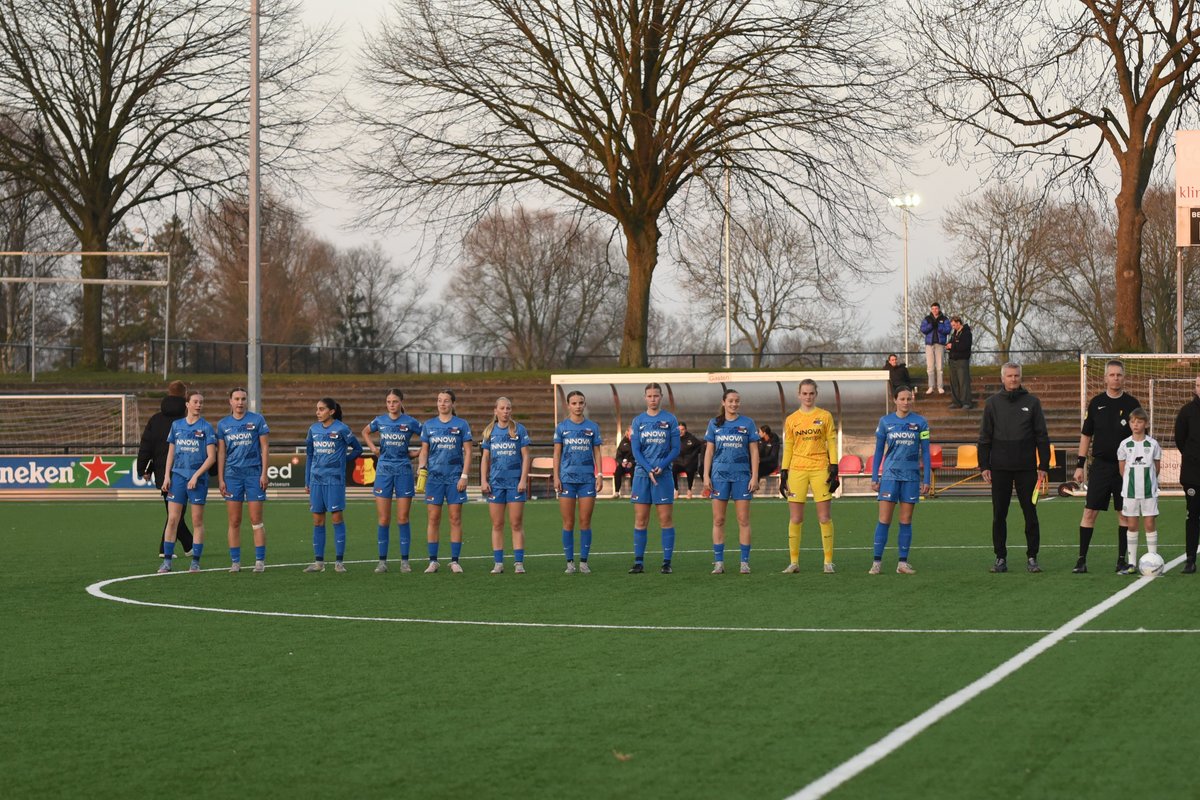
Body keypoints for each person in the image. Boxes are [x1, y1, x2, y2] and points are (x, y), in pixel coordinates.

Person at [978, 362, 1050, 573]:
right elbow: (984, 437)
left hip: (1026, 468)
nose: (1013, 379)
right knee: (999, 514)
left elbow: (1041, 436)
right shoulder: (992, 403)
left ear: (1021, 377)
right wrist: (984, 465)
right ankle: (1000, 558)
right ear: (1002, 378)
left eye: (1016, 375)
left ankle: (1032, 557)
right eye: (1009, 376)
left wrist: (1043, 465)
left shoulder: (1032, 402)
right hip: (999, 468)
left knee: (1030, 513)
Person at [1071, 359, 1141, 574]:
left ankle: (1121, 560)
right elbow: (1086, 435)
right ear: (1104, 378)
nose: (1115, 378)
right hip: (1100, 466)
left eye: (1119, 374)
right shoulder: (1096, 403)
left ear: (1124, 377)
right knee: (1090, 511)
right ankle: (1081, 560)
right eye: (1111, 375)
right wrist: (1080, 465)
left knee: (1123, 513)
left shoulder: (1132, 404)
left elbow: (1139, 435)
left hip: (1124, 468)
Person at [869, 387, 932, 574]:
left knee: (906, 520)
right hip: (889, 477)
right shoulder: (885, 422)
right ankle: (876, 562)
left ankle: (902, 563)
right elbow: (879, 450)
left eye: (909, 398)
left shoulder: (921, 422)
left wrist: (926, 478)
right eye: (902, 398)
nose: (906, 402)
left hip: (911, 477)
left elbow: (926, 452)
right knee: (884, 519)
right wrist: (875, 476)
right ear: (895, 400)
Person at [780, 379, 839, 574]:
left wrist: (834, 466)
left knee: (824, 517)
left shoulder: (825, 416)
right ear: (799, 395)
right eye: (804, 393)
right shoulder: (791, 419)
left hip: (820, 468)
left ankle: (828, 562)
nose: (808, 397)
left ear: (816, 394)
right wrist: (784, 472)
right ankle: (794, 562)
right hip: (797, 470)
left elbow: (831, 441)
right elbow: (788, 446)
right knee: (795, 518)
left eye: (811, 393)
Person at [362, 389, 422, 574]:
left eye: (395, 401)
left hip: (403, 471)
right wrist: (373, 447)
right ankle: (382, 561)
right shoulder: (380, 420)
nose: (391, 405)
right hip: (383, 472)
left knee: (403, 518)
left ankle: (405, 561)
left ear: (401, 402)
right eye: (389, 402)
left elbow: (427, 438)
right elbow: (365, 432)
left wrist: (417, 453)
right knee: (384, 518)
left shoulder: (410, 422)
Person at [157, 390, 217, 573]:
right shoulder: (176, 426)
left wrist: (196, 476)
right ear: (187, 404)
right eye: (195, 402)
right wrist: (167, 476)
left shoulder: (206, 427)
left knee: (197, 520)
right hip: (178, 478)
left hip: (197, 480)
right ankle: (167, 562)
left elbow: (211, 457)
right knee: (173, 519)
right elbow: (171, 453)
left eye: (201, 402)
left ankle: (195, 562)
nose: (199, 405)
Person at [302, 397, 363, 574]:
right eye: (317, 409)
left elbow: (357, 449)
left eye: (321, 409)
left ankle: (339, 562)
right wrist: (307, 480)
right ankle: (319, 563)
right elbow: (310, 456)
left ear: (331, 411)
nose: (318, 412)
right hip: (316, 481)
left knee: (336, 518)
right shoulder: (313, 430)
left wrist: (343, 461)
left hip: (335, 480)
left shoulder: (342, 429)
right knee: (318, 520)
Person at [703, 389, 760, 574]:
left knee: (743, 519)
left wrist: (755, 476)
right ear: (723, 402)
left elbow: (754, 451)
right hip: (719, 477)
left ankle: (745, 562)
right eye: (731, 401)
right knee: (718, 519)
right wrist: (706, 475)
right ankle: (719, 562)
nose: (734, 404)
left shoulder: (748, 423)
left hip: (742, 476)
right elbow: (709, 451)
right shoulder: (714, 424)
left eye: (737, 401)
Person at [417, 389, 473, 573]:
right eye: (440, 400)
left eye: (446, 401)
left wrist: (464, 476)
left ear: (452, 404)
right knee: (433, 518)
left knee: (455, 518)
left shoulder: (461, 425)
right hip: (434, 478)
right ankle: (433, 561)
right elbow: (424, 450)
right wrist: (422, 467)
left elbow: (469, 452)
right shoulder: (429, 425)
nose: (442, 404)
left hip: (455, 478)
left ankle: (455, 561)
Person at [628, 383, 681, 574]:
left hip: (663, 475)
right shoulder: (638, 421)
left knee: (665, 519)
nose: (653, 399)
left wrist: (662, 465)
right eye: (649, 396)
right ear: (645, 398)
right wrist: (649, 468)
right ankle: (638, 562)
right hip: (642, 475)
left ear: (661, 397)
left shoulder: (670, 420)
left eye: (656, 396)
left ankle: (666, 562)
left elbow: (676, 449)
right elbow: (636, 449)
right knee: (641, 519)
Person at [137, 379, 193, 558]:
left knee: (174, 512)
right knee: (176, 513)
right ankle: (166, 548)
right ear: (185, 395)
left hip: (162, 472)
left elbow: (146, 445)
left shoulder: (156, 419)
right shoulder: (187, 420)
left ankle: (188, 545)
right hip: (184, 471)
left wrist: (143, 468)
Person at [217, 387, 270, 573]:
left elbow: (264, 448)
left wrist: (264, 473)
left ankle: (259, 561)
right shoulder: (223, 424)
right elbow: (221, 452)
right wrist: (221, 478)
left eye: (243, 399)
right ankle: (235, 562)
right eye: (237, 399)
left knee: (256, 519)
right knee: (234, 521)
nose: (240, 402)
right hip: (232, 476)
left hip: (254, 475)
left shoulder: (257, 420)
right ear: (230, 401)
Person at [553, 391, 603, 574]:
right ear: (568, 405)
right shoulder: (562, 428)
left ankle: (583, 561)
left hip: (587, 481)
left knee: (585, 521)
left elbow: (597, 452)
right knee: (568, 522)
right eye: (574, 403)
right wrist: (556, 476)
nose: (578, 406)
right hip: (567, 480)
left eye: (581, 402)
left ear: (585, 404)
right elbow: (557, 453)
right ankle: (569, 563)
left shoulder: (592, 427)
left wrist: (600, 474)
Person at [480, 396, 531, 574]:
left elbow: (525, 456)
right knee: (497, 524)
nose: (505, 411)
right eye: (502, 408)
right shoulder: (489, 432)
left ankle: (518, 562)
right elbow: (485, 458)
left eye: (508, 408)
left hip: (515, 483)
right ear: (495, 410)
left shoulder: (519, 429)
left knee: (516, 523)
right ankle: (498, 563)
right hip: (496, 484)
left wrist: (523, 479)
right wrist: (484, 480)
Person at [1116, 408, 1161, 575]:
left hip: (1149, 492)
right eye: (1133, 421)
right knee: (1132, 525)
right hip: (1130, 492)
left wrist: (1148, 483)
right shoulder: (1124, 445)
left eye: (1139, 421)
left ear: (1146, 424)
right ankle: (1132, 563)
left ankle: (1153, 560)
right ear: (1129, 424)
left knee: (1149, 524)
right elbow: (1122, 470)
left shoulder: (1153, 444)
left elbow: (1156, 469)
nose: (1136, 424)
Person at [1174, 376, 1200, 574]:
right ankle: (1190, 559)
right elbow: (1180, 440)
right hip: (1193, 474)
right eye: (1199, 385)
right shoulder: (1186, 412)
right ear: (1195, 387)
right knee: (1193, 515)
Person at [919, 302, 951, 395]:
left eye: (936, 308)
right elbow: (923, 329)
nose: (934, 310)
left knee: (940, 367)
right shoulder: (927, 319)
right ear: (931, 309)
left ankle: (940, 387)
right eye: (933, 309)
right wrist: (931, 325)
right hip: (929, 344)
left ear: (939, 309)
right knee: (930, 367)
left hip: (940, 344)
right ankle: (931, 386)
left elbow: (948, 330)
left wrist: (939, 326)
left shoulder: (944, 319)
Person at [945, 316, 974, 409]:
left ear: (958, 323)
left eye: (954, 325)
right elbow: (951, 343)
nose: (953, 327)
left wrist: (952, 346)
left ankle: (966, 402)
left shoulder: (966, 333)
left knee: (963, 382)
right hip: (953, 360)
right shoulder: (954, 333)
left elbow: (964, 346)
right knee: (954, 382)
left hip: (962, 360)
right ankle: (956, 402)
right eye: (952, 325)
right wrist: (948, 345)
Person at [672, 422, 704, 499]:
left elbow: (701, 445)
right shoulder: (673, 438)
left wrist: (694, 456)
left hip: (689, 463)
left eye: (682, 429)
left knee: (690, 469)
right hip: (678, 463)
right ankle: (676, 490)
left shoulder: (691, 438)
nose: (680, 431)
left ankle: (689, 490)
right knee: (672, 469)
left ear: (685, 430)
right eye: (679, 430)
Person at [756, 425, 780, 493]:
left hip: (771, 465)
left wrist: (760, 460)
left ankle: (753, 488)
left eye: (760, 432)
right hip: (761, 463)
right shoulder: (759, 440)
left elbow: (773, 457)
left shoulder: (774, 439)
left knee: (757, 471)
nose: (758, 434)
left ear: (764, 433)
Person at [613, 428, 635, 497]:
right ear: (627, 433)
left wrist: (632, 463)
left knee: (635, 472)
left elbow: (639, 456)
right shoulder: (623, 442)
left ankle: (634, 493)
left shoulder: (637, 442)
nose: (632, 435)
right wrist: (621, 463)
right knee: (617, 472)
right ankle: (617, 492)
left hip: (633, 464)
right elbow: (618, 456)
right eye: (631, 434)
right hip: (623, 465)